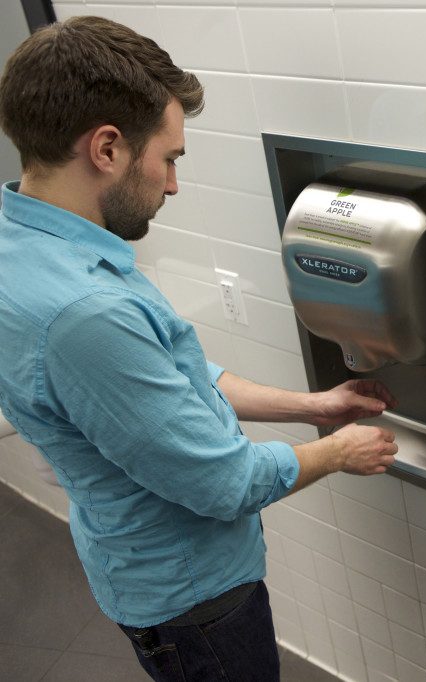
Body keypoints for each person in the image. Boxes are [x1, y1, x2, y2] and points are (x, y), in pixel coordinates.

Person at [0, 16, 398, 681]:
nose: (174, 183)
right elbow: (224, 483)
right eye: (170, 157)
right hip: (193, 603)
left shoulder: (30, 245)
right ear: (106, 148)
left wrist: (312, 404)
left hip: (139, 570)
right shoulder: (83, 314)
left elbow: (172, 380)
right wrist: (337, 453)